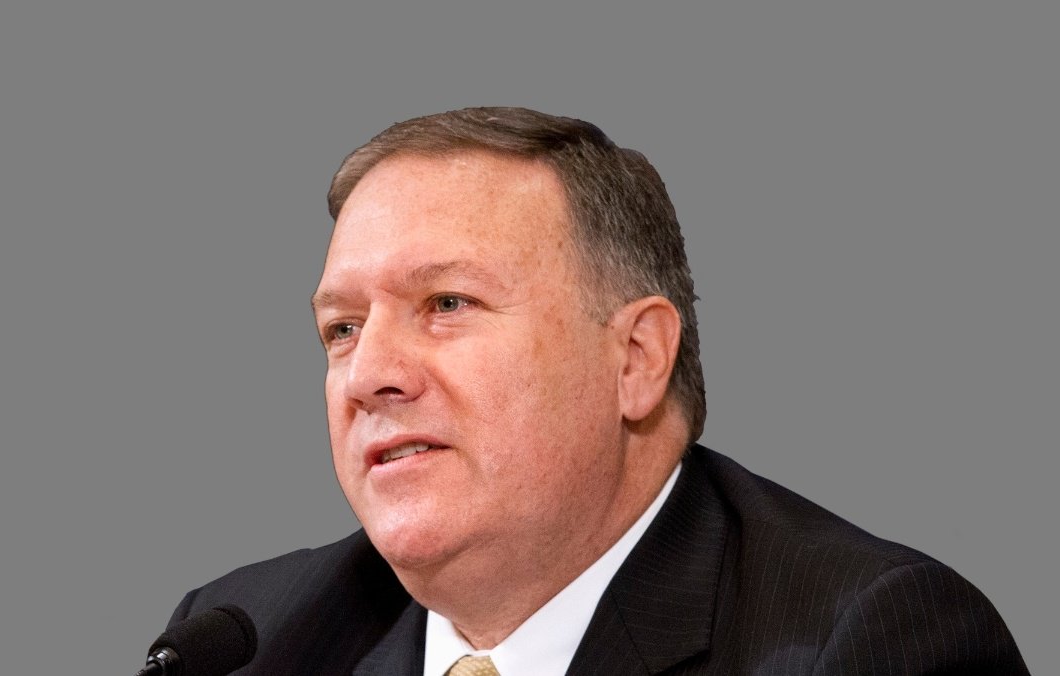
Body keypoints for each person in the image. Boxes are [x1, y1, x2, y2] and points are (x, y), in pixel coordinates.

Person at [164, 108, 1028, 674]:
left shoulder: (865, 643)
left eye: (446, 304)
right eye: (342, 328)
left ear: (636, 360)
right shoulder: (246, 640)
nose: (366, 375)